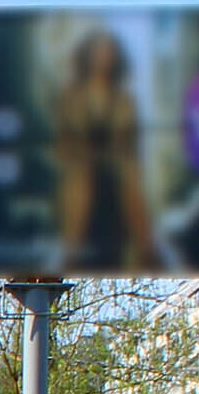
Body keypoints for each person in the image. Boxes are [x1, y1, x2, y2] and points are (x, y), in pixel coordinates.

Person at [51, 29, 156, 273]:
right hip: (79, 164)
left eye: (108, 53)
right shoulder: (71, 97)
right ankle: (72, 250)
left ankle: (146, 249)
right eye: (99, 52)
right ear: (87, 56)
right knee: (81, 179)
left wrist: (115, 157)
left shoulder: (124, 99)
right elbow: (61, 143)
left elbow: (130, 144)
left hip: (115, 164)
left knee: (130, 181)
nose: (103, 58)